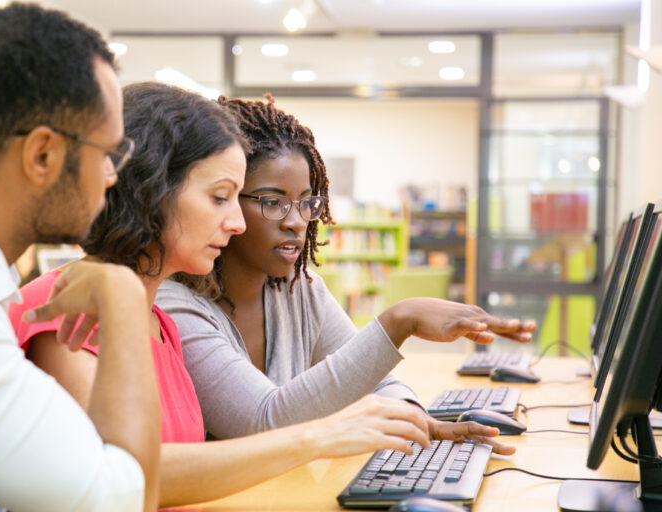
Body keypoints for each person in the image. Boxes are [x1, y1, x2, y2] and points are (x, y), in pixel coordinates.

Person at [8, 82, 514, 509]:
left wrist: (396, 422)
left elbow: (171, 470)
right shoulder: (69, 308)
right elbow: (128, 478)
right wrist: (322, 434)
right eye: (220, 198)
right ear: (152, 189)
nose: (234, 222)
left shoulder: (152, 320)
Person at [0, 4, 161, 511]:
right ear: (43, 155)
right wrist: (123, 292)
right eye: (108, 153)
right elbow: (120, 502)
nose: (112, 176)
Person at [159, 95, 536, 440]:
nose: (296, 221)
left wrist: (417, 420)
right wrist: (397, 321)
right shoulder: (173, 305)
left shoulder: (299, 289)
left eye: (307, 202)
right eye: (273, 202)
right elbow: (262, 421)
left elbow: (377, 383)